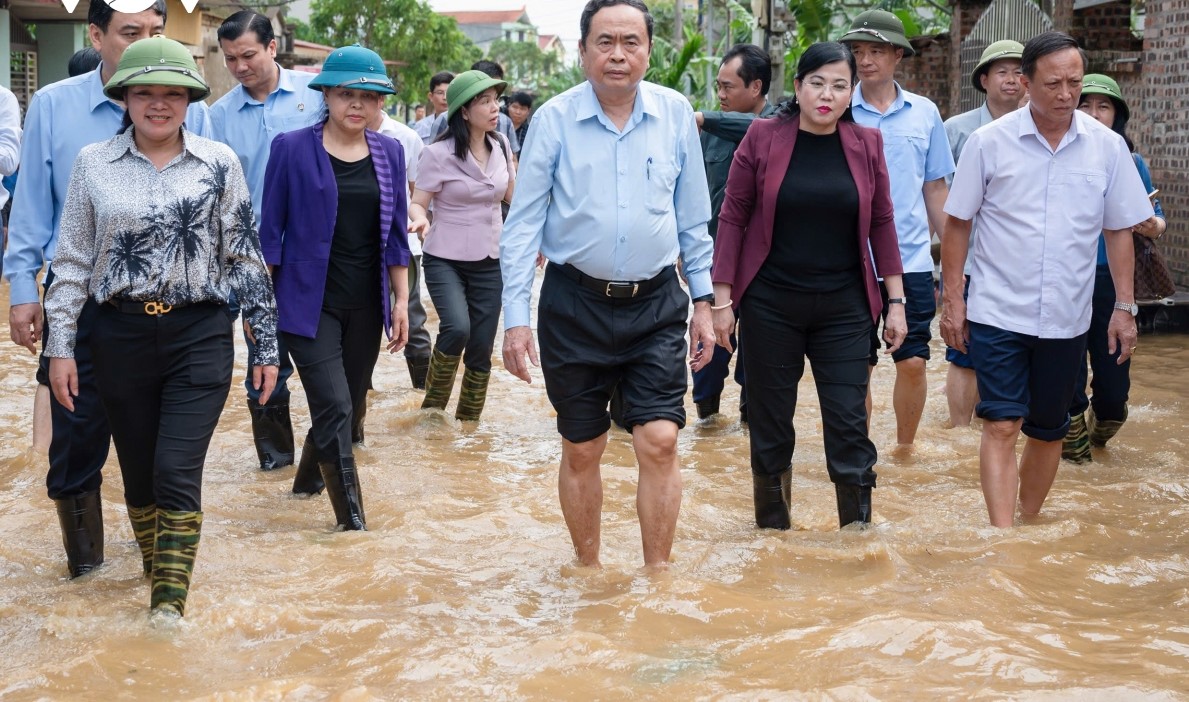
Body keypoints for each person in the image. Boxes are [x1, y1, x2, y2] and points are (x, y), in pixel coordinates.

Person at [43, 36, 278, 617]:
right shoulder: (92, 164)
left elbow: (244, 257)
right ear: (123, 98)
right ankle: (158, 572)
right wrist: (60, 348)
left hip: (197, 334)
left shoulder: (219, 163)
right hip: (117, 335)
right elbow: (72, 262)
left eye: (172, 93)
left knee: (176, 470)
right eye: (143, 92)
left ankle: (167, 611)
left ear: (189, 100)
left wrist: (265, 345)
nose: (157, 104)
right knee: (140, 476)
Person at [501, 0, 715, 568]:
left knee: (661, 440)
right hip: (574, 304)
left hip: (656, 303)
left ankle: (658, 574)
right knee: (582, 446)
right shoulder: (552, 119)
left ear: (648, 49)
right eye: (604, 42)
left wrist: (705, 301)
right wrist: (516, 320)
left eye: (630, 42)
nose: (617, 55)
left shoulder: (674, 114)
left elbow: (693, 219)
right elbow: (522, 227)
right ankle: (590, 570)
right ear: (582, 51)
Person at [3, 0, 210, 580]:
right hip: (83, 307)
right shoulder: (53, 105)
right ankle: (86, 577)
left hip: (175, 318)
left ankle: (157, 581)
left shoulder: (194, 108)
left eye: (156, 30)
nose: (145, 43)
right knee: (73, 448)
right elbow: (32, 210)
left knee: (161, 459)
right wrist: (23, 291)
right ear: (96, 35)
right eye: (129, 32)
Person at [940, 32, 1153, 527]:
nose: (1065, 94)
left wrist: (1125, 308)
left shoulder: (1107, 147)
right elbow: (957, 223)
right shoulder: (988, 143)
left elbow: (1119, 228)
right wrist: (954, 299)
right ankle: (1003, 538)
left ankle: (1028, 520)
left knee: (1049, 430)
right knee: (1001, 422)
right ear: (1024, 82)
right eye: (1053, 83)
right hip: (997, 309)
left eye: (1074, 83)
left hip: (1068, 315)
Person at [712, 42, 906, 530]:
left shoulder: (867, 144)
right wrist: (722, 300)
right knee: (771, 425)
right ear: (797, 87)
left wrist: (897, 300)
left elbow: (882, 221)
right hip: (771, 304)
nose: (827, 94)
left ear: (850, 94)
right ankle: (773, 539)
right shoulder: (761, 138)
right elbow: (732, 218)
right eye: (817, 82)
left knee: (849, 424)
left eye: (840, 85)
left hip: (844, 307)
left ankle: (859, 544)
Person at [259, 45, 411, 531]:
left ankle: (304, 486)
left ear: (381, 104)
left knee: (348, 404)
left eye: (369, 97)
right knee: (337, 406)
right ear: (326, 94)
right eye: (346, 94)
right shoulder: (290, 148)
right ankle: (353, 527)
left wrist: (402, 300)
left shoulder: (390, 152)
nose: (357, 105)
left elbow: (395, 233)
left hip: (366, 303)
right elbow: (270, 235)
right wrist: (259, 310)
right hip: (307, 303)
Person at [209, 11, 324, 473]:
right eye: (231, 58)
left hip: (309, 252)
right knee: (263, 357)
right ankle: (276, 467)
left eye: (249, 55)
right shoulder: (218, 116)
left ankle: (333, 453)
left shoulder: (315, 97)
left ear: (272, 48)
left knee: (324, 361)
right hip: (246, 256)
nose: (239, 67)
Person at [840, 9, 954, 447]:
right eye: (857, 52)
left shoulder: (924, 114)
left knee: (913, 362)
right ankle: (859, 453)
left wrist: (954, 264)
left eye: (875, 51)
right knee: (856, 366)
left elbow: (935, 191)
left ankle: (905, 447)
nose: (865, 60)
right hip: (850, 262)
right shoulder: (839, 110)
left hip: (910, 261)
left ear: (897, 56)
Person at [1061, 74, 1166, 463]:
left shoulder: (1129, 160)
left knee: (1113, 395)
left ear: (1116, 116)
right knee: (1065, 380)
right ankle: (1077, 468)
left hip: (1111, 282)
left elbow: (1156, 220)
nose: (1092, 113)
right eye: (1084, 104)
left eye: (1102, 106)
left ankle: (1098, 436)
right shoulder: (1052, 152)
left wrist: (1150, 225)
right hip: (1065, 278)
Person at [409, 70, 513, 422]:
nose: (494, 107)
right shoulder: (437, 154)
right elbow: (418, 201)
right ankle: (433, 413)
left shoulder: (500, 145)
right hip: (445, 258)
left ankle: (469, 426)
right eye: (484, 101)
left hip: (491, 258)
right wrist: (420, 218)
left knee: (482, 348)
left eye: (495, 100)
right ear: (464, 112)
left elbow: (515, 198)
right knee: (457, 328)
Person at [689, 42, 776, 422]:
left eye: (728, 87)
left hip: (766, 263)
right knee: (708, 345)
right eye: (718, 87)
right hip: (714, 257)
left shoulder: (784, 124)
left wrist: (705, 118)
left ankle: (748, 427)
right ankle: (706, 425)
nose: (720, 95)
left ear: (755, 87)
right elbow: (692, 193)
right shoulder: (709, 132)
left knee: (758, 354)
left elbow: (761, 130)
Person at [941, 39, 1024, 428]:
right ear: (985, 79)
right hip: (971, 261)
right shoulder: (955, 131)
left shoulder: (1046, 131)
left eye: (1020, 71)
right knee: (964, 350)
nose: (1012, 80)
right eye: (1002, 71)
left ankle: (1003, 425)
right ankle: (959, 434)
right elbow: (938, 194)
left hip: (1019, 266)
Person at [370, 101, 432, 395]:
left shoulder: (405, 137)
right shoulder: (331, 136)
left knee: (413, 319)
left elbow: (417, 195)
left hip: (401, 244)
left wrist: (421, 229)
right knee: (357, 323)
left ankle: (424, 397)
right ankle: (359, 395)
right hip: (354, 248)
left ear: (381, 100)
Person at [431, 60, 521, 156]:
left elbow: (513, 159)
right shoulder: (444, 121)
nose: (496, 108)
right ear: (464, 111)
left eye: (496, 98)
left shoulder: (504, 133)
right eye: (485, 100)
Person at [414, 71, 453, 142]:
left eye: (449, 92)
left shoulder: (465, 126)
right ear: (431, 96)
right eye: (440, 93)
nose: (445, 97)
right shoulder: (420, 127)